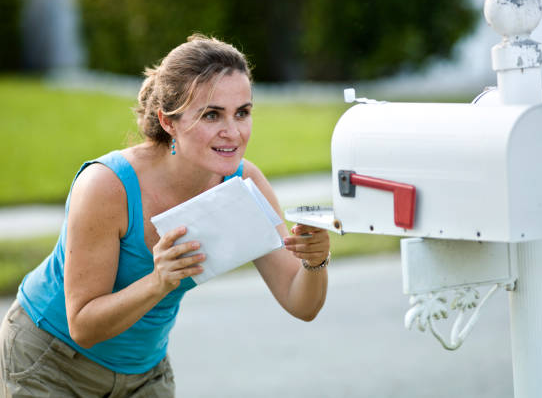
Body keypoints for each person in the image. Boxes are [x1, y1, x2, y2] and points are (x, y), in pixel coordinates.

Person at [0, 34, 330, 397]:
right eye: (211, 114)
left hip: (144, 373)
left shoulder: (243, 184)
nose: (233, 132)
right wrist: (158, 281)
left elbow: (301, 302)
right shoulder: (107, 187)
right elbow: (82, 325)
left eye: (243, 112)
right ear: (168, 122)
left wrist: (315, 262)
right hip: (52, 362)